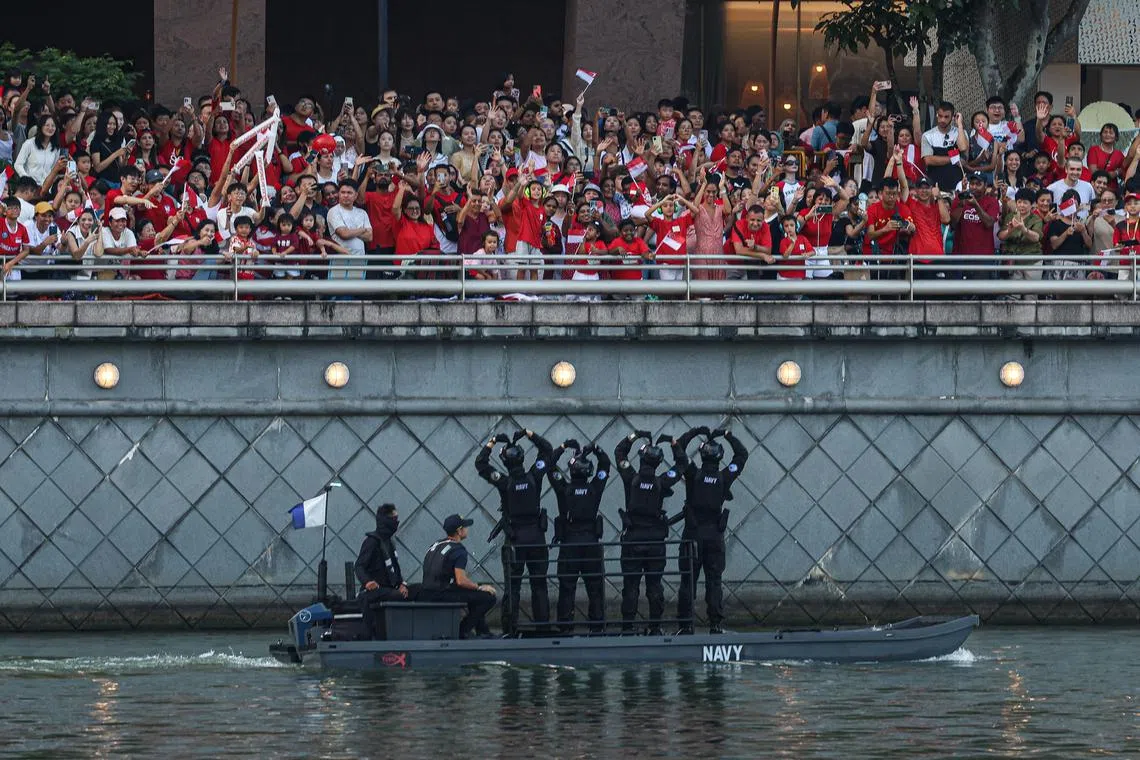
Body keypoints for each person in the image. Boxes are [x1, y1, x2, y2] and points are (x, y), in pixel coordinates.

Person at [475, 429, 555, 635]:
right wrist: (529, 434)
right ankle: (543, 628)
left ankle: (510, 629)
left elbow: (481, 464)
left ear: (505, 462)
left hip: (515, 540)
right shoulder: (534, 476)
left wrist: (492, 441)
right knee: (539, 585)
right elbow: (547, 450)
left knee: (513, 587)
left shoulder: (504, 481)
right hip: (537, 538)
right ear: (522, 458)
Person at [672, 426, 748, 634]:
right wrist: (727, 434)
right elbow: (742, 455)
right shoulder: (724, 477)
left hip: (693, 536)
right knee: (714, 582)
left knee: (688, 580)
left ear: (703, 455)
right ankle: (715, 624)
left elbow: (677, 448)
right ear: (719, 457)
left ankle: (686, 625)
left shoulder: (692, 474)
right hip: (714, 536)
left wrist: (694, 432)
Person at [613, 429, 687, 635]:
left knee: (631, 586)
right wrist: (673, 443)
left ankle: (627, 628)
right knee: (654, 586)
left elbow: (619, 453)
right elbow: (682, 465)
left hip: (633, 541)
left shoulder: (631, 477)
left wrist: (634, 435)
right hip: (655, 542)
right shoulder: (662, 481)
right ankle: (655, 628)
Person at [546, 439, 611, 632]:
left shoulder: (563, 489)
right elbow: (605, 466)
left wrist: (563, 446)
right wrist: (597, 449)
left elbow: (549, 465)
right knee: (595, 588)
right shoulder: (595, 489)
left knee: (567, 588)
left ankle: (565, 627)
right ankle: (597, 627)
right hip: (591, 543)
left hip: (569, 544)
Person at [418, 514, 497, 639]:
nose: (467, 529)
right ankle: (462, 630)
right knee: (488, 597)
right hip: (441, 593)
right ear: (459, 531)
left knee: (473, 594)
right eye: (465, 527)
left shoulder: (436, 544)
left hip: (426, 590)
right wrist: (480, 587)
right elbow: (460, 581)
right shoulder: (458, 551)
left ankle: (482, 630)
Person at [353, 503, 408, 639]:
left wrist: (401, 584)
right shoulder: (372, 542)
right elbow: (359, 565)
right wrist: (367, 582)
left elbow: (395, 570)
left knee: (414, 591)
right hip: (377, 591)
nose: (397, 522)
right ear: (387, 520)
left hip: (389, 588)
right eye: (395, 519)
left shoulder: (389, 542)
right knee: (397, 596)